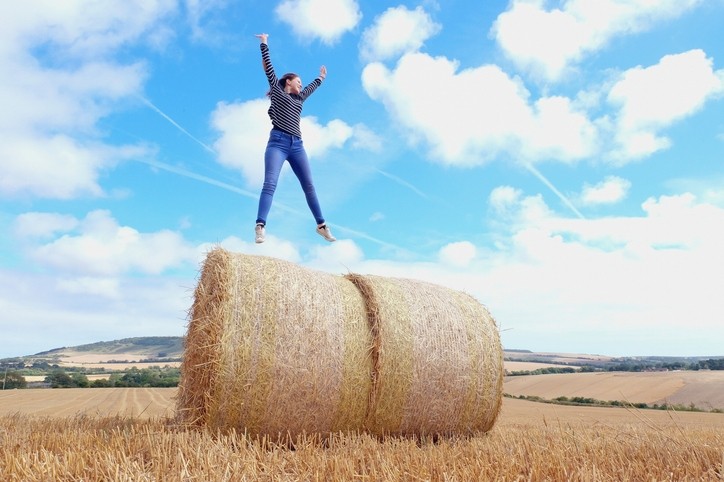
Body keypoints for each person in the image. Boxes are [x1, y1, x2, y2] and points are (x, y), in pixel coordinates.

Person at [253, 33, 336, 244]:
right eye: (297, 82)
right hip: (277, 144)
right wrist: (264, 44)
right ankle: (260, 225)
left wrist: (321, 78)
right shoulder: (279, 93)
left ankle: (322, 225)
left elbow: (312, 87)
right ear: (288, 82)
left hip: (297, 146)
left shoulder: (300, 98)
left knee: (309, 185)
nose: (301, 85)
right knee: (270, 183)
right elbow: (269, 69)